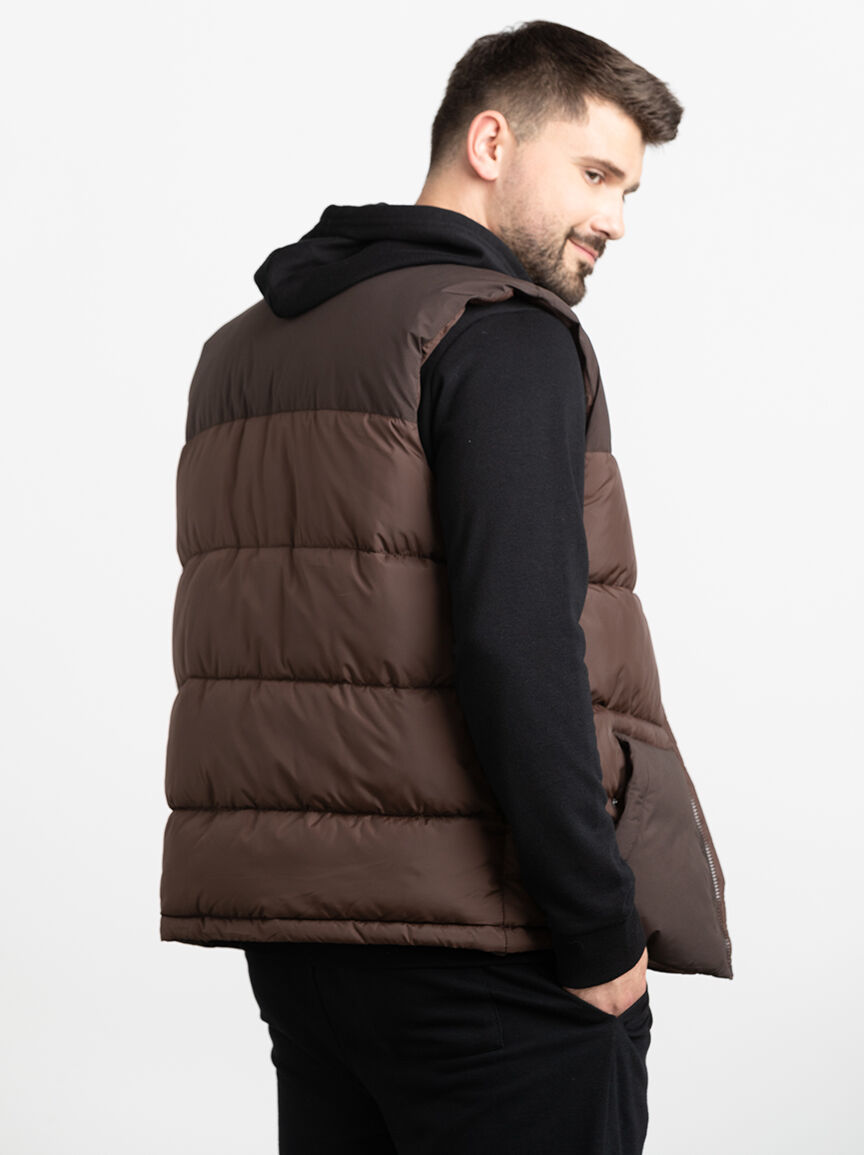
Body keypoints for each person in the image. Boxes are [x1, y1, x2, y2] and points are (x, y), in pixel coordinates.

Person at [160, 19, 732, 1154]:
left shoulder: (246, 351)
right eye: (596, 174)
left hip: (300, 943)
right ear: (490, 142)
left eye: (629, 191)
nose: (615, 220)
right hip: (488, 946)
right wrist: (598, 925)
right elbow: (518, 644)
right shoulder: (497, 332)